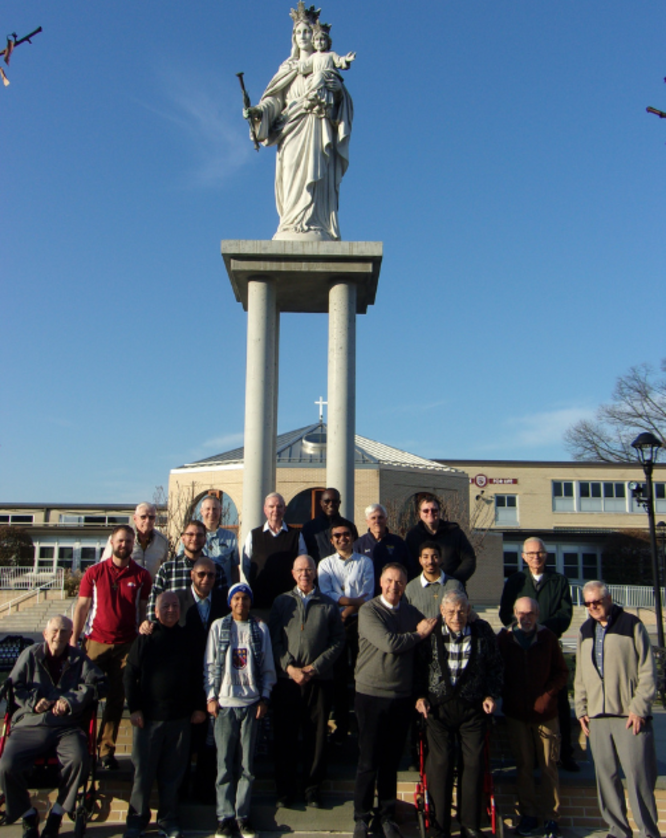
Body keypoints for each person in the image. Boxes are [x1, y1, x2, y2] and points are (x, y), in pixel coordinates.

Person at [242, 2, 353, 241]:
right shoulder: (288, 68)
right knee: (293, 176)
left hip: (318, 125)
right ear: (293, 37)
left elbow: (342, 103)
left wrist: (339, 92)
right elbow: (274, 101)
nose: (303, 36)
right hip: (291, 130)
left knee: (318, 173)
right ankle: (293, 223)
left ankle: (316, 224)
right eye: (298, 32)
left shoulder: (325, 64)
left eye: (306, 32)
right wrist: (258, 112)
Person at [353, 563, 437, 838]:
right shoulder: (369, 611)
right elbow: (389, 642)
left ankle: (387, 816)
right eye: (389, 581)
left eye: (399, 582)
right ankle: (362, 818)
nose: (394, 586)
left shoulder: (410, 611)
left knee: (390, 762)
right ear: (380, 582)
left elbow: (431, 627)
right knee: (368, 761)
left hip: (401, 696)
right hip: (370, 694)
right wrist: (418, 634)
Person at [0, 616, 104, 838]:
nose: (58, 635)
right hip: (31, 723)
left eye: (64, 631)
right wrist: (33, 702)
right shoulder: (30, 655)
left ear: (70, 636)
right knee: (6, 765)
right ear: (45, 634)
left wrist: (70, 701)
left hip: (66, 725)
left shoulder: (78, 659)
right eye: (54, 631)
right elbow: (14, 686)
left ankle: (56, 815)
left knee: (79, 759)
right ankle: (28, 815)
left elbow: (96, 683)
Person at [574, 581, 660, 838]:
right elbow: (580, 673)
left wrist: (639, 708)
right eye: (587, 603)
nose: (592, 607)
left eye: (597, 602)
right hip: (597, 718)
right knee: (606, 778)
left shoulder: (632, 624)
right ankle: (618, 830)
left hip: (629, 717)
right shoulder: (584, 630)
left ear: (608, 598)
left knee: (639, 779)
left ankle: (648, 832)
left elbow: (648, 671)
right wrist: (581, 708)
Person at [415, 590, 503, 838]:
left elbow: (496, 666)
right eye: (451, 611)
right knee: (440, 764)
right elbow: (418, 667)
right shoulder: (430, 632)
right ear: (442, 611)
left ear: (469, 610)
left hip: (473, 709)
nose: (457, 616)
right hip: (439, 710)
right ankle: (439, 826)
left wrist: (490, 695)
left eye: (461, 610)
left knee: (474, 764)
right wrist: (420, 696)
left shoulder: (482, 630)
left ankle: (470, 825)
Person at [123, 592, 207, 838]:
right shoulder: (146, 638)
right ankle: (136, 821)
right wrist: (135, 708)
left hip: (180, 719)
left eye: (174, 606)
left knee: (173, 776)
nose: (171, 610)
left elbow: (197, 676)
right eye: (165, 606)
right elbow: (130, 675)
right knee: (143, 774)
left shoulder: (187, 639)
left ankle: (168, 820)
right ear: (156, 612)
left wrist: (198, 707)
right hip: (148, 719)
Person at [71, 524, 152, 770]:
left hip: (126, 644)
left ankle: (106, 750)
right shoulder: (94, 573)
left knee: (117, 699)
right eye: (120, 540)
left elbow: (142, 609)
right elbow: (83, 607)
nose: (124, 545)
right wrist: (74, 638)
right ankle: (82, 748)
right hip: (95, 642)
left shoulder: (141, 576)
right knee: (86, 696)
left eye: (128, 541)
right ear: (112, 542)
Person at [268, 555, 345, 809]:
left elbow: (337, 641)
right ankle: (285, 791)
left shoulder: (328, 604)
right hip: (287, 681)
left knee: (317, 736)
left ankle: (312, 789)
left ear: (315, 573)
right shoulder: (281, 602)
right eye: (300, 570)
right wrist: (290, 668)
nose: (305, 574)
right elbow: (275, 640)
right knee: (286, 736)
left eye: (309, 569)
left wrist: (314, 667)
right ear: (293, 573)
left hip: (319, 680)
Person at [499, 537, 577, 772]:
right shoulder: (515, 581)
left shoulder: (559, 581)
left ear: (546, 555)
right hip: (521, 647)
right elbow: (505, 613)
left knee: (558, 699)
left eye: (540, 553)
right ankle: (528, 756)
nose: (536, 557)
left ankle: (565, 754)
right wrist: (525, 627)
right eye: (531, 553)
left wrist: (542, 629)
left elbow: (565, 614)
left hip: (547, 645)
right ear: (523, 556)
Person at [205, 583, 276, 838]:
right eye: (236, 598)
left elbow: (268, 666)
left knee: (247, 766)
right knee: (224, 765)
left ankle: (242, 816)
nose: (241, 603)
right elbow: (210, 664)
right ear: (229, 601)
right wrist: (211, 696)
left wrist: (264, 698)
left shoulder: (259, 628)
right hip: (225, 704)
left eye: (245, 598)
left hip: (251, 704)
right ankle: (224, 817)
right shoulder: (218, 627)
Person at [498, 597, 568, 838]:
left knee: (549, 767)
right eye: (521, 614)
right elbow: (496, 671)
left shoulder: (547, 638)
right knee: (524, 767)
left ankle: (551, 818)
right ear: (514, 614)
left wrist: (548, 696)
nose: (525, 618)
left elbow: (562, 672)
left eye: (530, 614)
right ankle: (528, 815)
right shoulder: (505, 639)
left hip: (545, 714)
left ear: (537, 615)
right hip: (517, 714)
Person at [176, 556, 230, 802]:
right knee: (183, 746)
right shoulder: (177, 601)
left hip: (215, 682)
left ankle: (204, 795)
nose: (206, 579)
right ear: (192, 575)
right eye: (201, 574)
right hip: (184, 683)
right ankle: (179, 798)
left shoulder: (222, 601)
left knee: (210, 744)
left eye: (211, 575)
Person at [317, 518, 374, 744]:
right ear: (331, 541)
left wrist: (345, 610)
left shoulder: (365, 562)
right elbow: (326, 593)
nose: (342, 538)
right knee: (339, 676)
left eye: (346, 534)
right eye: (337, 536)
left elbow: (368, 594)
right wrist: (351, 602)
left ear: (353, 536)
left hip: (359, 623)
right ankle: (341, 725)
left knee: (361, 674)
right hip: (334, 624)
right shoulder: (325, 564)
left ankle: (362, 726)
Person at [144, 520, 226, 625]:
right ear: (183, 538)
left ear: (205, 539)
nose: (195, 538)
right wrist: (152, 624)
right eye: (190, 534)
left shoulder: (215, 569)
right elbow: (155, 598)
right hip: (174, 632)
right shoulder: (168, 569)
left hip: (207, 631)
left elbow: (223, 602)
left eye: (199, 535)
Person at [242, 493, 306, 611]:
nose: (275, 510)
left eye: (279, 506)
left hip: (289, 601)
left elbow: (303, 565)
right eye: (271, 507)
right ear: (265, 510)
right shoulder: (254, 535)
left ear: (285, 509)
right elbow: (246, 565)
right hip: (260, 600)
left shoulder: (296, 536)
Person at [405, 495, 476, 585]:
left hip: (452, 590)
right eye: (426, 511)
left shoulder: (454, 533)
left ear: (439, 512)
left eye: (434, 510)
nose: (430, 513)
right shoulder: (413, 536)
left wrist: (454, 580)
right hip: (422, 589)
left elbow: (469, 559)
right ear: (419, 514)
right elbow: (408, 564)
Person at [177, 495, 241, 586]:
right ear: (201, 511)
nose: (211, 512)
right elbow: (181, 562)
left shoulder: (230, 538)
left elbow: (234, 568)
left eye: (215, 509)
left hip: (222, 590)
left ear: (220, 510)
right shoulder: (190, 538)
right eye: (208, 509)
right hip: (196, 591)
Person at [101, 502, 169, 579]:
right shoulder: (119, 538)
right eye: (143, 517)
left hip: (152, 588)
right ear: (135, 518)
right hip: (125, 587)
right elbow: (104, 565)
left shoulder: (162, 541)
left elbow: (165, 569)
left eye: (151, 517)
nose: (147, 521)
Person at [354, 504, 415, 589]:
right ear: (367, 522)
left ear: (386, 520)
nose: (377, 521)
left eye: (380, 517)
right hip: (367, 595)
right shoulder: (359, 544)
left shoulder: (398, 542)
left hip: (393, 592)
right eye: (373, 518)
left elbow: (410, 569)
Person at [298, 24, 355, 112]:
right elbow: (305, 67)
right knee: (310, 82)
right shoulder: (314, 56)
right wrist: (298, 65)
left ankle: (314, 97)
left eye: (322, 39)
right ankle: (317, 103)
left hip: (327, 76)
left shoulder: (331, 54)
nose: (319, 42)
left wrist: (346, 60)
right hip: (316, 79)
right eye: (317, 40)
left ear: (328, 42)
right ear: (313, 42)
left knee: (319, 76)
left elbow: (339, 61)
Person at [404, 541, 464, 618]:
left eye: (435, 557)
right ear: (420, 560)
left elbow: (464, 612)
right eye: (426, 557)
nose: (430, 561)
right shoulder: (410, 588)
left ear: (441, 559)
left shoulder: (455, 586)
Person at [301, 488, 357, 564]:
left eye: (334, 501)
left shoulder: (349, 526)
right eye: (327, 501)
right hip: (318, 572)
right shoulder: (309, 527)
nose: (331, 504)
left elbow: (356, 549)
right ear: (321, 503)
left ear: (339, 503)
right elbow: (303, 553)